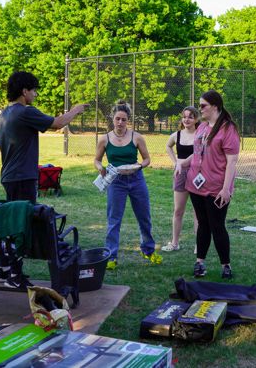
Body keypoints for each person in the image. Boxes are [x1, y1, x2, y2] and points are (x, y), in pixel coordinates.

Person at [0, 71, 87, 289]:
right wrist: (76, 110)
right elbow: (57, 123)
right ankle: (14, 276)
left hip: (9, 176)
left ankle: (4, 269)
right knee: (21, 224)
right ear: (24, 91)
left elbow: (1, 144)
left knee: (12, 219)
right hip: (23, 177)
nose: (35, 94)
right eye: (34, 90)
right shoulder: (25, 112)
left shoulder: (4, 114)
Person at [176, 90, 240, 280]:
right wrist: (182, 163)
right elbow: (196, 153)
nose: (200, 109)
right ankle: (200, 262)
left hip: (217, 188)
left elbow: (232, 162)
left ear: (215, 106)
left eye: (203, 105)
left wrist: (226, 189)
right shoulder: (203, 127)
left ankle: (225, 265)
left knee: (217, 226)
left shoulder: (228, 130)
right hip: (196, 186)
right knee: (203, 224)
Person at [94, 101, 162, 270]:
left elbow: (147, 159)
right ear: (112, 119)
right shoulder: (105, 139)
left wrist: (138, 166)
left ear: (128, 120)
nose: (120, 123)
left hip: (136, 179)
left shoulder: (136, 137)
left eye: (124, 120)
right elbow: (96, 159)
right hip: (116, 182)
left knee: (144, 216)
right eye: (117, 119)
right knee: (114, 219)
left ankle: (148, 250)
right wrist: (100, 167)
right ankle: (111, 255)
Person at [161, 106, 200, 252]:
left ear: (196, 119)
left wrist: (182, 163)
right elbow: (168, 146)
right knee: (178, 210)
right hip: (180, 173)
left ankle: (199, 244)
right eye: (184, 116)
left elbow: (198, 153)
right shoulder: (176, 135)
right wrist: (175, 162)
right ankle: (175, 243)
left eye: (190, 117)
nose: (186, 119)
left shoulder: (200, 134)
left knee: (198, 211)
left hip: (197, 174)